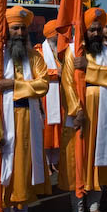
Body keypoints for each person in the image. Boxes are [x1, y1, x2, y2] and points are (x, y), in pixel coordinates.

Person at [0, 5, 51, 212]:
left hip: (29, 120)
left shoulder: (34, 57)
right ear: (7, 30)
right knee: (6, 172)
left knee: (25, 170)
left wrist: (14, 85)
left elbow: (43, 85)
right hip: (5, 122)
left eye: (23, 28)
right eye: (15, 28)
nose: (20, 32)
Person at [61, 7, 107, 212]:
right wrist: (76, 111)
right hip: (83, 113)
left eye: (99, 29)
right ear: (84, 30)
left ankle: (95, 208)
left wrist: (90, 68)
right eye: (92, 30)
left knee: (101, 158)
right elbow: (68, 84)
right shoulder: (73, 52)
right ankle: (78, 210)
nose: (97, 33)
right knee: (81, 159)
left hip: (106, 111)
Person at [36, 19, 63, 175]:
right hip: (46, 95)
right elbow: (37, 71)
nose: (60, 36)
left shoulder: (62, 51)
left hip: (60, 94)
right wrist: (55, 73)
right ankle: (46, 163)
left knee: (58, 129)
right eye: (57, 33)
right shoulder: (39, 51)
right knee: (46, 130)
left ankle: (55, 162)